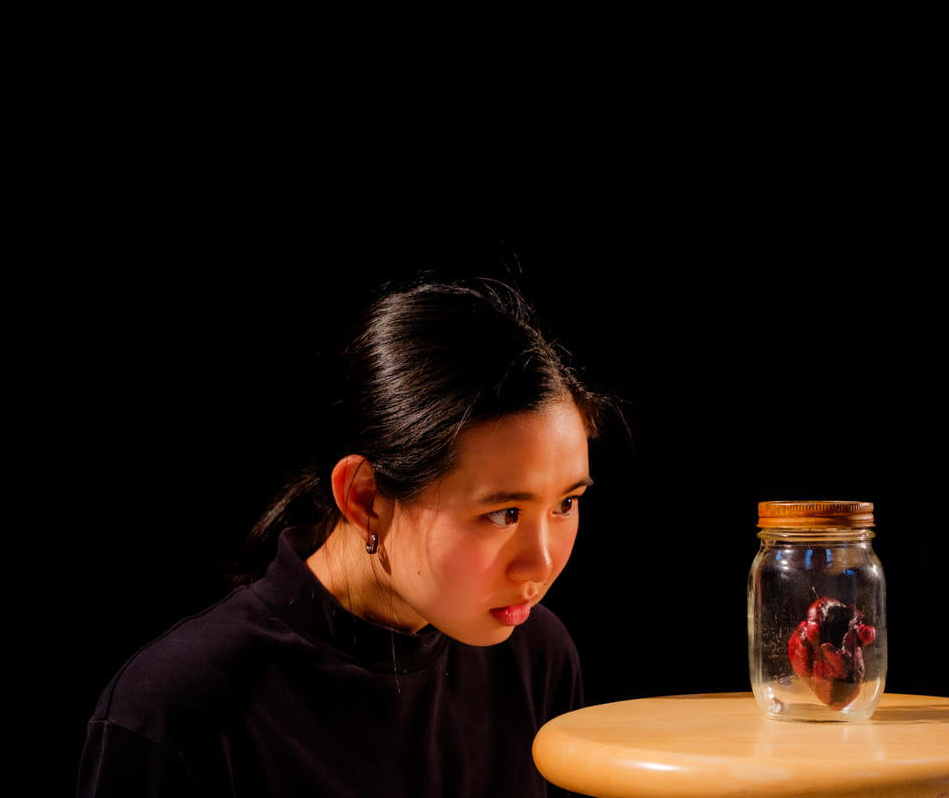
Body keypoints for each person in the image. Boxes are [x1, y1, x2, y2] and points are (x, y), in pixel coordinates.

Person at [78, 276, 612, 797]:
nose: (541, 563)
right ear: (364, 498)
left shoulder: (537, 657)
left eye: (565, 504)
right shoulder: (176, 709)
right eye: (503, 514)